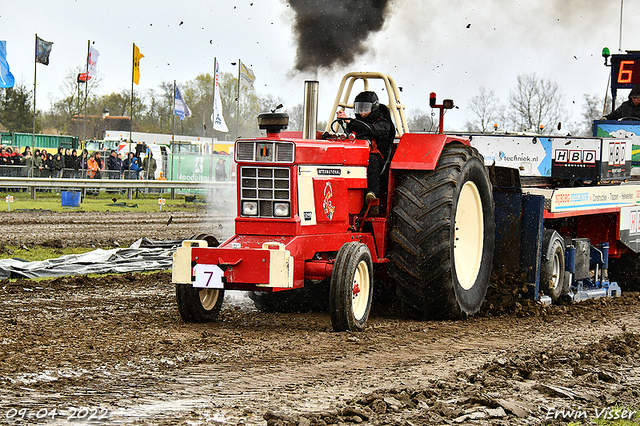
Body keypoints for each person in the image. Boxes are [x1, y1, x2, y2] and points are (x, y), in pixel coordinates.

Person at [336, 91, 395, 215]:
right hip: (357, 157)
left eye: (365, 109)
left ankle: (372, 198)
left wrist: (350, 122)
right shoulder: (355, 124)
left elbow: (371, 130)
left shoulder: (383, 123)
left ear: (374, 108)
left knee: (372, 159)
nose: (362, 113)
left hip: (379, 159)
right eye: (360, 109)